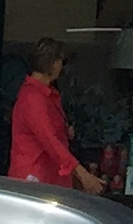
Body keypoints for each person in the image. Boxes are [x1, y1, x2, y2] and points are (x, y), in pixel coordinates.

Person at [6, 38, 101, 193]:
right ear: (53, 63)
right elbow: (50, 140)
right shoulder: (33, 98)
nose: (61, 67)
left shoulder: (44, 95)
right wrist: (82, 174)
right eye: (61, 61)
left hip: (47, 179)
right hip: (35, 180)